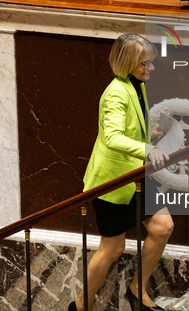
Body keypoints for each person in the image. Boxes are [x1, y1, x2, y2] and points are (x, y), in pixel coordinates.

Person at [69, 34, 173, 311]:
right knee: (112, 248)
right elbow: (113, 137)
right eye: (145, 64)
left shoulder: (135, 84)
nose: (150, 68)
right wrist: (147, 148)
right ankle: (81, 305)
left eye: (151, 62)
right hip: (113, 181)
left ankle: (137, 289)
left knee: (163, 227)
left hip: (135, 175)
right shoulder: (116, 92)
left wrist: (147, 133)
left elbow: (125, 127)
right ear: (127, 63)